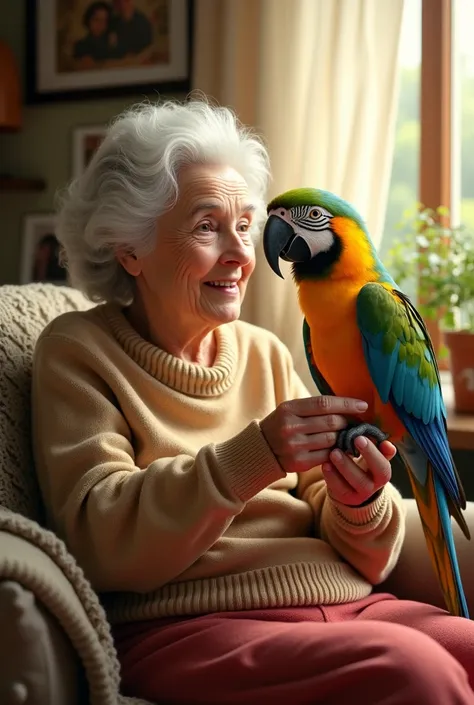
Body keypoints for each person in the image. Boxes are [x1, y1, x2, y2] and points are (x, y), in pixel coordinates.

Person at [31, 99, 474, 705]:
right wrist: (256, 455)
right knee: (418, 673)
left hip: (347, 603)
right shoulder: (78, 352)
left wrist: (358, 498)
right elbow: (98, 539)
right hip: (190, 628)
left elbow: (361, 544)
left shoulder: (264, 351)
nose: (242, 255)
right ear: (129, 248)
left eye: (246, 226)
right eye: (208, 226)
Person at [73, 1, 114, 66]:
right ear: (88, 21)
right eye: (96, 19)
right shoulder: (81, 46)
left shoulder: (111, 44)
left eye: (104, 21)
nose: (100, 24)